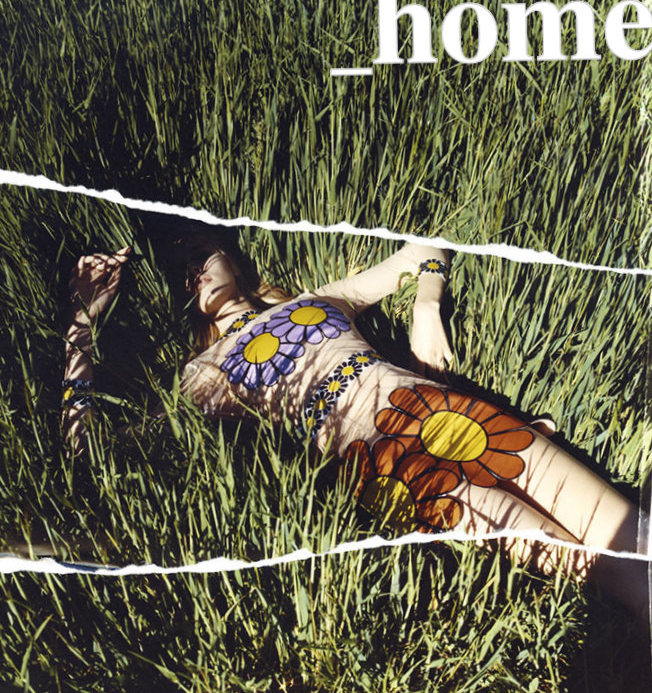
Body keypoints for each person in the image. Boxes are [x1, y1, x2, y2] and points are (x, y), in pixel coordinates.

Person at [63, 234, 649, 624]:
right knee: (598, 567)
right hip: (388, 467)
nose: (193, 270)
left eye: (198, 252)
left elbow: (426, 248)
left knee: (632, 544)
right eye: (179, 271)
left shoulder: (318, 299)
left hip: (445, 409)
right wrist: (81, 326)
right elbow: (87, 448)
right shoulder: (205, 373)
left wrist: (426, 307)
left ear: (230, 259)